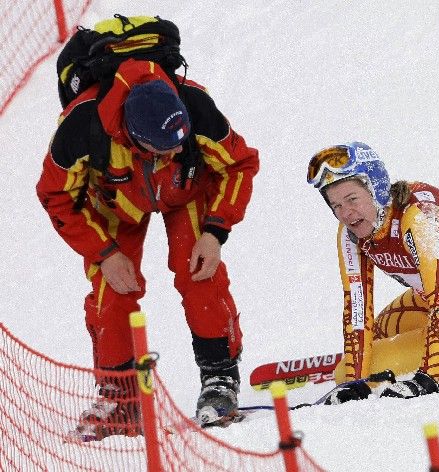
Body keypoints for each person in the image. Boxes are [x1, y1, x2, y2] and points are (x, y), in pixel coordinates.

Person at [36, 58, 259, 436]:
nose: (170, 155)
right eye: (160, 151)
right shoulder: (80, 128)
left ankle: (220, 380)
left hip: (185, 192)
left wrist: (215, 231)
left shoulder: (197, 108)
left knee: (200, 273)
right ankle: (120, 402)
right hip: (112, 204)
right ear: (130, 133)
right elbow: (54, 195)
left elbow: (240, 164)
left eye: (177, 146)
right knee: (112, 293)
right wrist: (104, 253)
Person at [306, 142, 439, 404]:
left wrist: (426, 379)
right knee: (374, 337)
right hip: (430, 301)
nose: (346, 213)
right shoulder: (351, 233)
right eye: (336, 205)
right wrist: (355, 381)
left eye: (352, 199)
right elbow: (358, 313)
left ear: (376, 190)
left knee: (344, 371)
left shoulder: (420, 219)